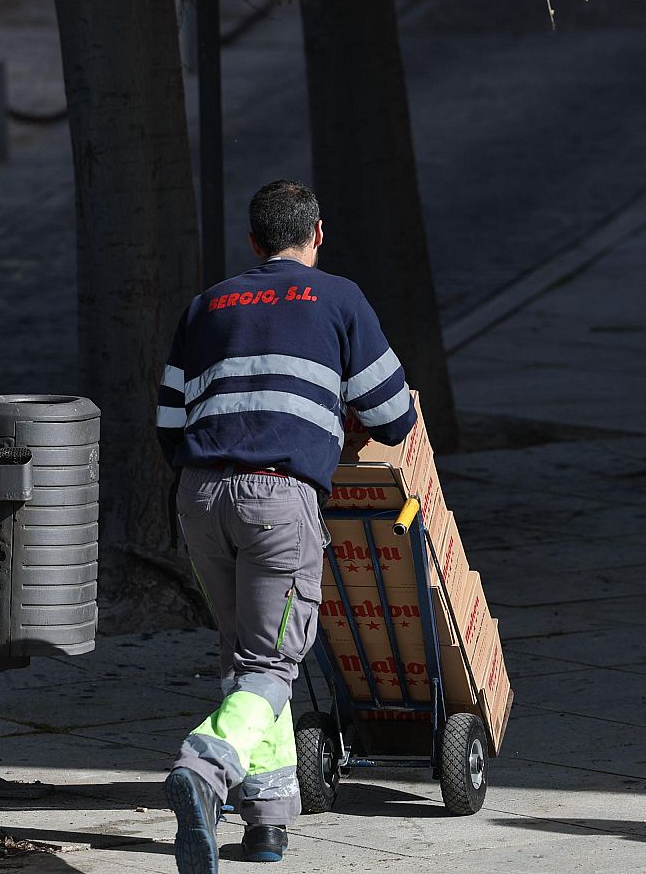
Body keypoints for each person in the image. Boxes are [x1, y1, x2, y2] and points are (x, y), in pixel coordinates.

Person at [155, 180, 417, 873]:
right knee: (273, 661)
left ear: (252, 242)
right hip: (278, 498)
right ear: (318, 234)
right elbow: (393, 416)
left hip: (200, 496)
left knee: (245, 659)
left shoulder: (208, 302)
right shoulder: (339, 299)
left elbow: (168, 422)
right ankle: (204, 768)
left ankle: (266, 826)